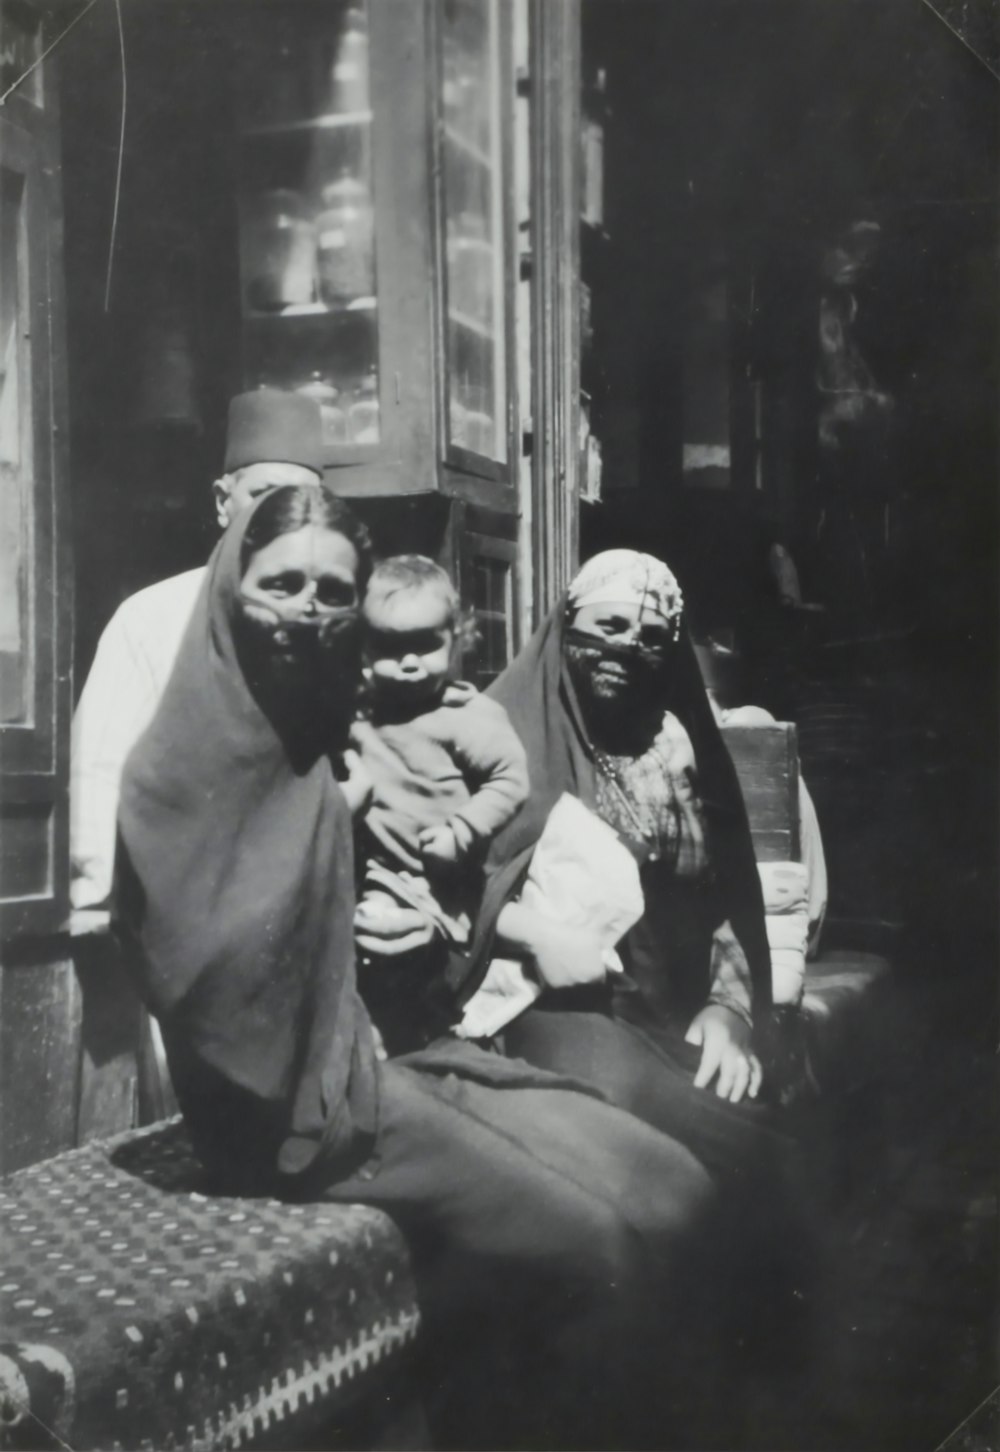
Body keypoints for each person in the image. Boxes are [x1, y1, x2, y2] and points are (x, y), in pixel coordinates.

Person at [116, 489, 733, 1451]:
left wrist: (404, 931)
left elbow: (430, 918)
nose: (308, 612)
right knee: (597, 1246)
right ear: (231, 593)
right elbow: (211, 990)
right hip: (293, 1122)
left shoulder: (329, 741)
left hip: (384, 1061)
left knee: (671, 1183)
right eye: (282, 585)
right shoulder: (177, 769)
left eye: (332, 591)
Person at [449, 549, 822, 1383]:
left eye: (653, 637)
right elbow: (439, 893)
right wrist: (529, 933)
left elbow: (734, 890)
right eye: (608, 627)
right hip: (550, 1007)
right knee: (689, 1165)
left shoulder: (682, 746)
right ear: (567, 627)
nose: (628, 648)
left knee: (765, 1144)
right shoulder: (498, 730)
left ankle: (750, 1394)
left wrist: (729, 1004)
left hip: (671, 1004)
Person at [70, 387, 326, 928]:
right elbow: (98, 771)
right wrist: (103, 901)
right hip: (176, 911)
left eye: (303, 499)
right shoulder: (150, 620)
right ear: (221, 501)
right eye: (263, 492)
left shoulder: (331, 622)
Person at [351, 555, 529, 1052]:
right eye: (390, 646)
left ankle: (421, 1038)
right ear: (363, 646)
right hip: (379, 869)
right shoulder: (360, 712)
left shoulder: (466, 715)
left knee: (410, 958)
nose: (409, 663)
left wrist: (460, 833)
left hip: (441, 876)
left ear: (457, 637)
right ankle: (396, 1039)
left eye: (426, 644)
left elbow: (510, 778)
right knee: (375, 942)